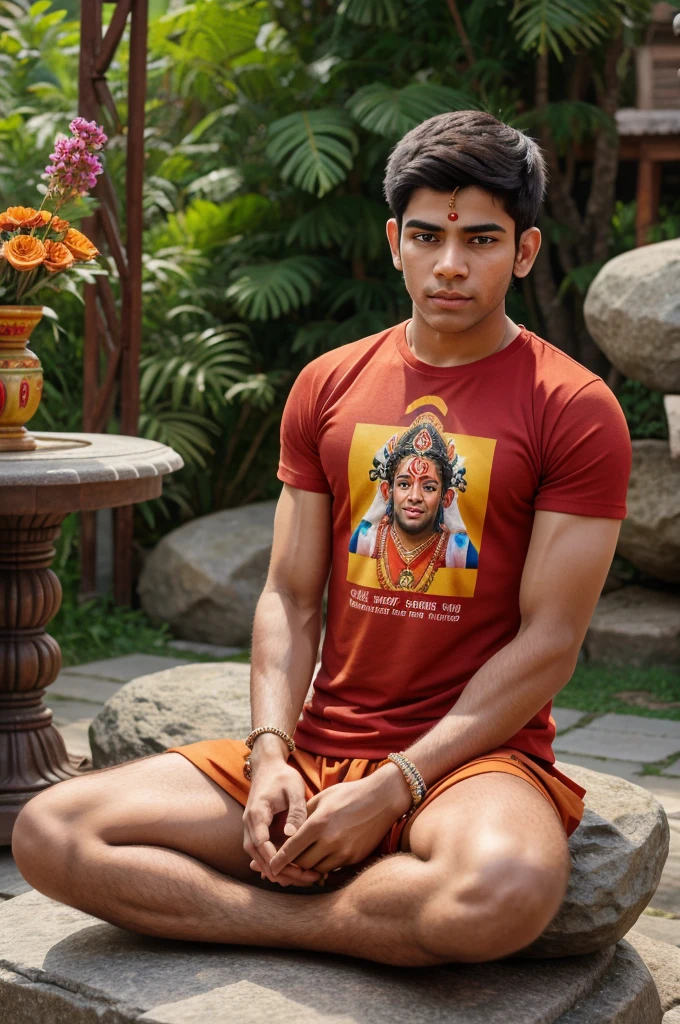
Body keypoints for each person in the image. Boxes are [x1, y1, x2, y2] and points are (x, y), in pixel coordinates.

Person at [12, 110, 632, 968]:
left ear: (523, 251)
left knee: (503, 892)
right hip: (317, 748)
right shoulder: (329, 383)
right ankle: (340, 918)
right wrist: (270, 754)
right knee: (51, 831)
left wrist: (394, 788)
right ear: (394, 241)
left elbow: (551, 642)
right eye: (427, 236)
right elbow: (289, 594)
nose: (450, 265)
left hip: (473, 762)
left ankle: (270, 902)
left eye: (482, 240)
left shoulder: (574, 407)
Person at [349, 418, 479, 588]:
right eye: (404, 484)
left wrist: (455, 524)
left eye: (429, 488)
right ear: (386, 490)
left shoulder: (454, 551)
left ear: (446, 498)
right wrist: (376, 510)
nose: (415, 496)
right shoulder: (370, 540)